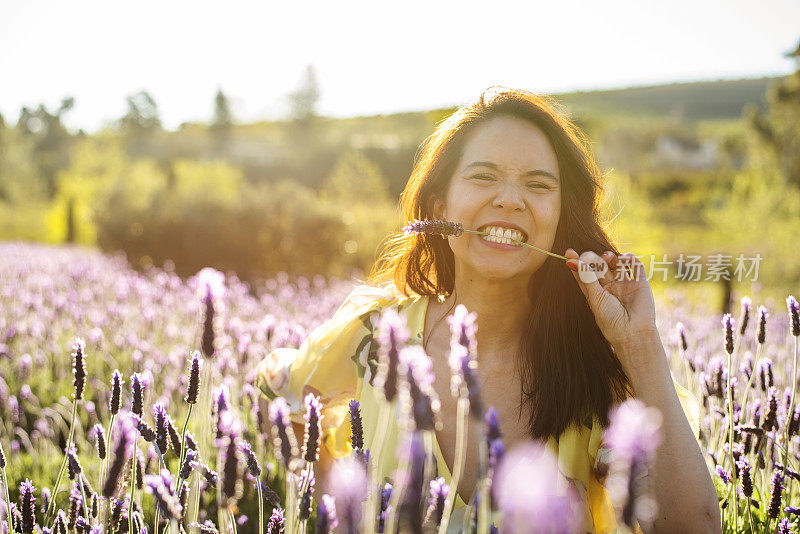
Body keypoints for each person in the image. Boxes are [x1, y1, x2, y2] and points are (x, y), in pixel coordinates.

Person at [255, 87, 720, 533]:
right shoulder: (373, 334)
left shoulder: (602, 370)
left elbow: (693, 527)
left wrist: (638, 344)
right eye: (483, 177)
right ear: (440, 204)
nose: (509, 200)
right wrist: (333, 506)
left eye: (538, 185)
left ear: (559, 219)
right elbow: (280, 396)